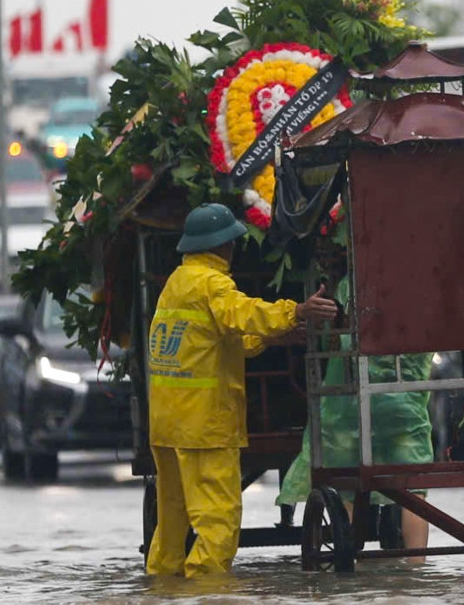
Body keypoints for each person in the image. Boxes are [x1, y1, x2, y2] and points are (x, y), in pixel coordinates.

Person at [145, 202, 338, 578]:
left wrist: (277, 334)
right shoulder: (212, 283)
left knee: (172, 522)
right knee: (218, 518)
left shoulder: (177, 283)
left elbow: (218, 339)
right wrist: (295, 311)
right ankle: (209, 600)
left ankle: (162, 596)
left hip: (168, 424)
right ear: (222, 245)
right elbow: (242, 313)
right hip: (204, 426)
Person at [275, 271, 432, 563]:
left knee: (344, 487)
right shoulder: (420, 286)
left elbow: (329, 344)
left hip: (347, 407)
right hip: (404, 406)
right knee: (414, 490)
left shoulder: (351, 284)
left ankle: (348, 559)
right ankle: (417, 567)